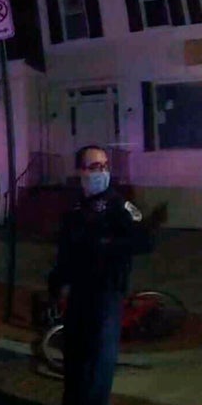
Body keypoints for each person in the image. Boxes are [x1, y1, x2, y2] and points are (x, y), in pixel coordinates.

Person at [48, 145, 156, 405]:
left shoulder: (118, 205)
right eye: (95, 166)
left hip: (106, 294)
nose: (102, 171)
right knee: (74, 359)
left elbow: (145, 241)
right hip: (78, 295)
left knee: (98, 363)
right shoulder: (75, 209)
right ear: (81, 171)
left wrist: (107, 244)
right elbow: (66, 253)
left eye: (105, 166)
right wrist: (56, 284)